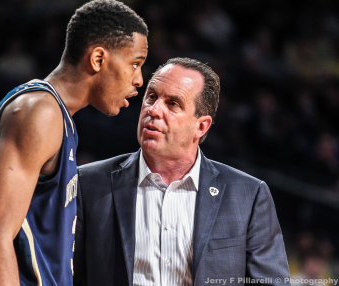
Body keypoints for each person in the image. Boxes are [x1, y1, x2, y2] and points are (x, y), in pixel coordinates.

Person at [0, 0, 148, 285]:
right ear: (98, 58)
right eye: (135, 64)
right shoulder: (41, 114)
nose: (139, 80)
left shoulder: (37, 109)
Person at [74, 57, 290, 286]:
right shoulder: (88, 183)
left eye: (173, 103)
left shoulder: (248, 195)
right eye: (151, 97)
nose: (154, 110)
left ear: (201, 126)